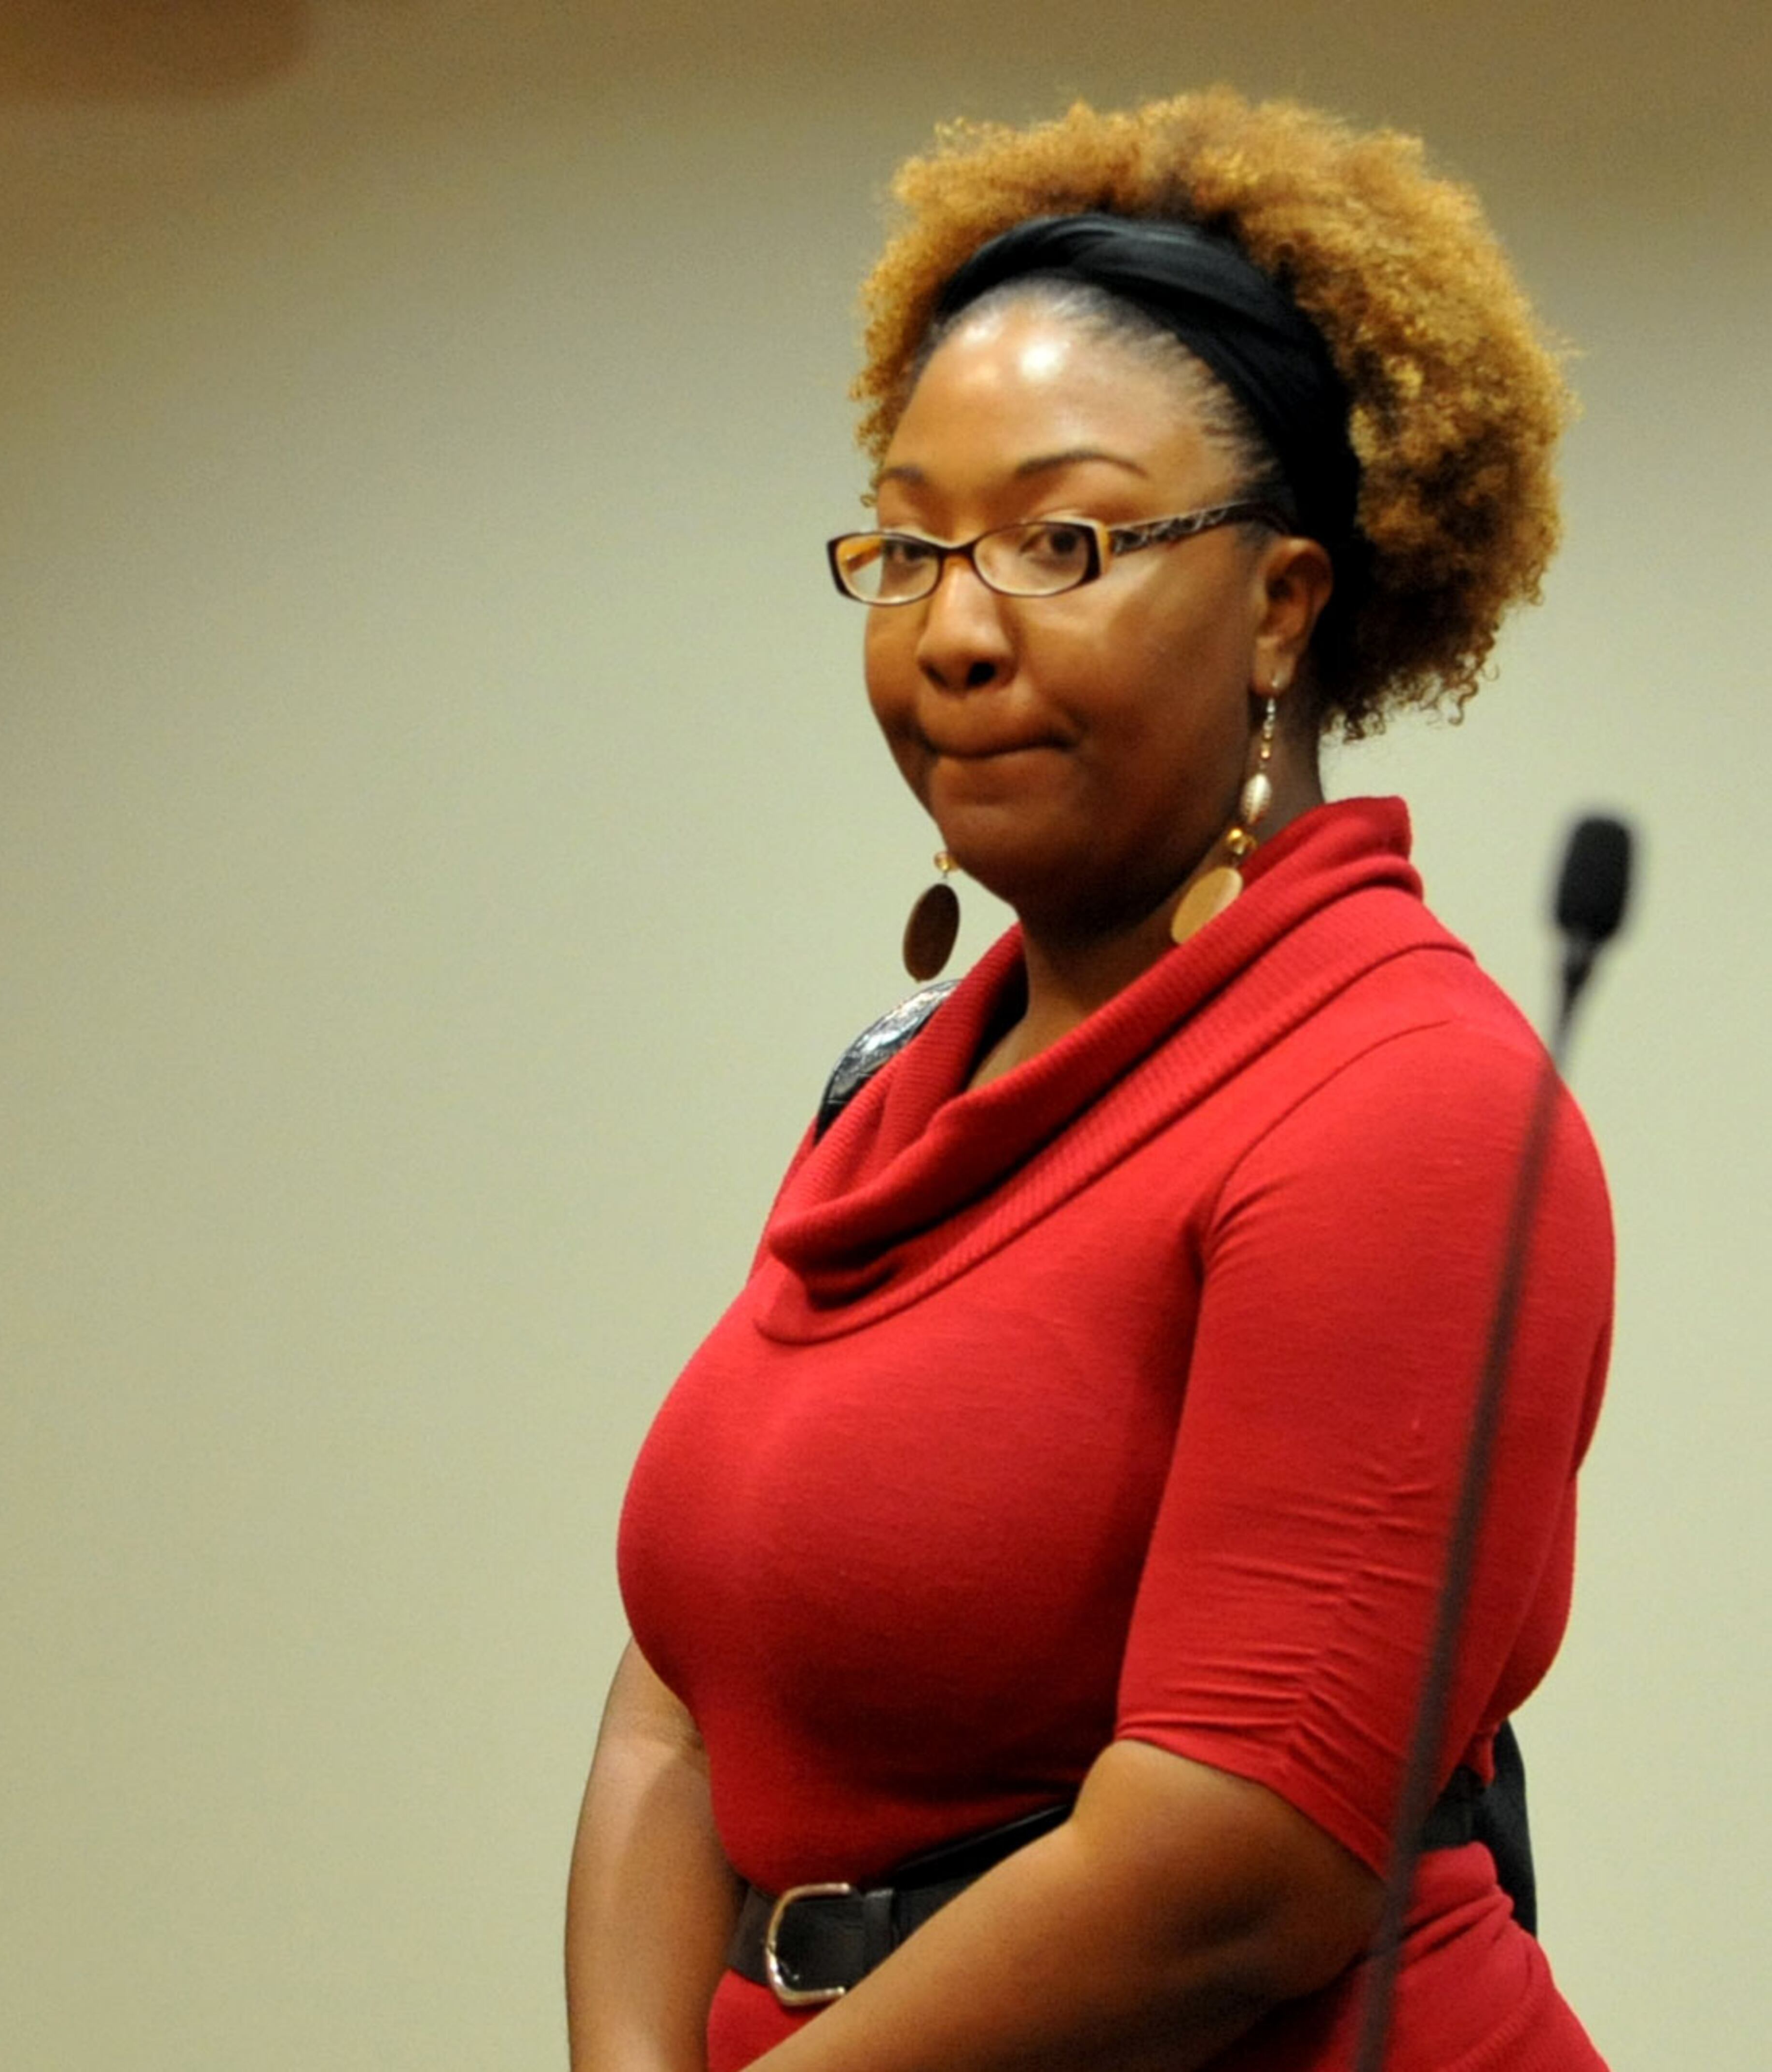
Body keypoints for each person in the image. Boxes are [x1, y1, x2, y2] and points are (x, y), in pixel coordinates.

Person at [567, 90, 1613, 2072]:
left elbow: (1226, 1874)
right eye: (908, 544)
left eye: (1062, 542)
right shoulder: (892, 1086)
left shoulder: (1404, 1098)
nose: (954, 631)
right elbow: (687, 1690)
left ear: (1285, 604)